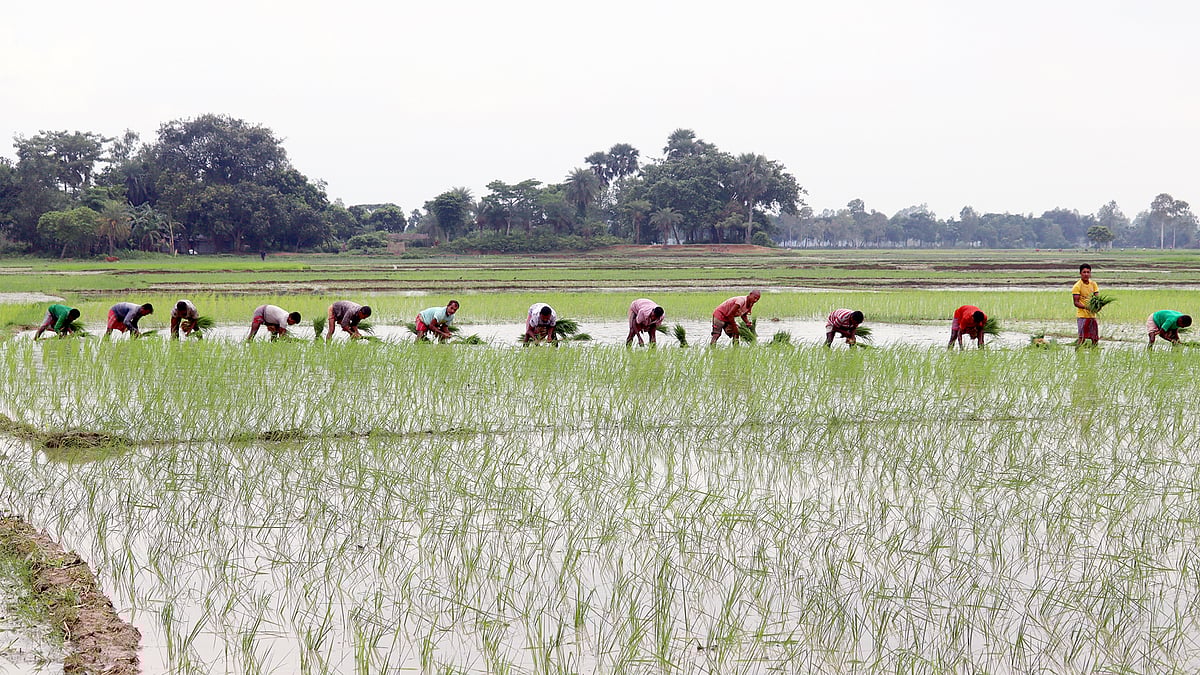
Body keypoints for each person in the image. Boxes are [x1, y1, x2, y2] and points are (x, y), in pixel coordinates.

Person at [1071, 263, 1099, 347]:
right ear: (1080, 273)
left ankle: (1095, 356)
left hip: (1092, 316)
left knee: (1095, 338)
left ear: (1090, 273)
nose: (1086, 274)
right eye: (1084, 272)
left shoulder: (1093, 284)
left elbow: (1097, 297)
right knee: (1082, 338)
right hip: (1082, 316)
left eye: (1088, 272)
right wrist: (1087, 307)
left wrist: (1098, 306)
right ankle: (1078, 355)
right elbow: (1076, 302)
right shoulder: (1077, 286)